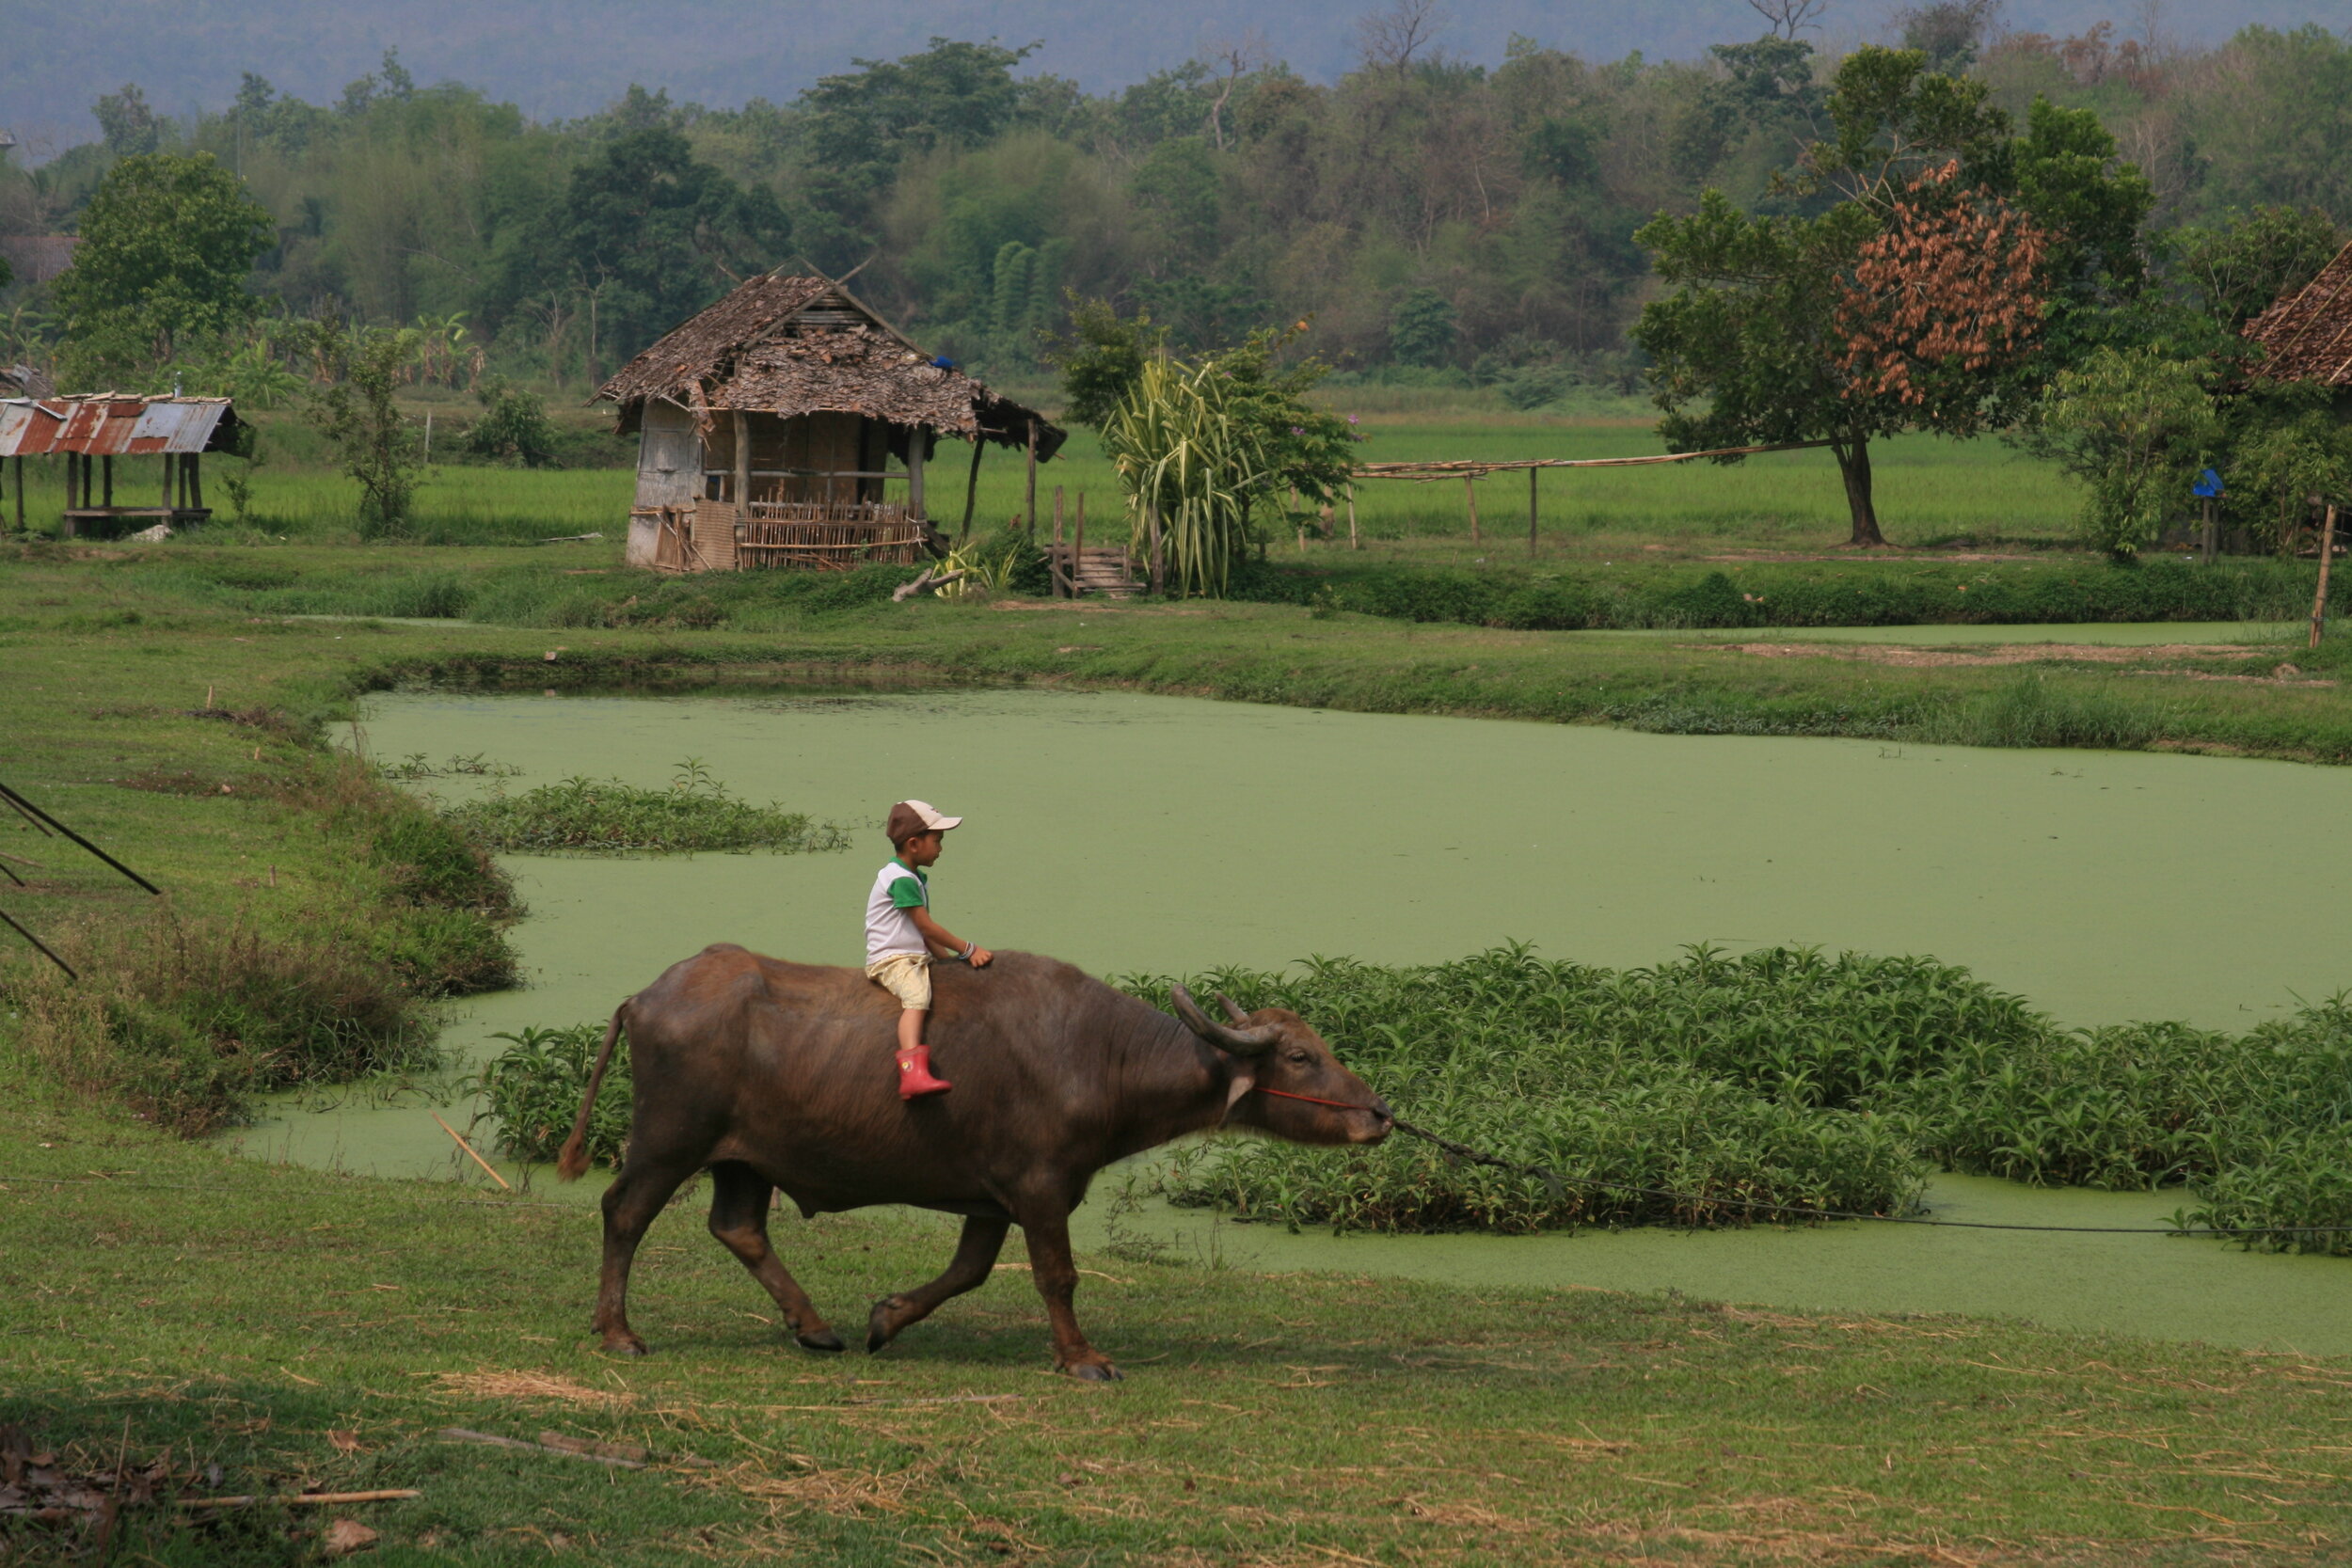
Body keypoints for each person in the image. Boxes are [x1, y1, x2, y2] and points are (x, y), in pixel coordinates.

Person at [866, 800, 993, 1099]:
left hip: (912, 954)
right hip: (892, 959)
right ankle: (911, 1072)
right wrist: (968, 950)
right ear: (914, 844)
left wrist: (946, 963)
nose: (940, 848)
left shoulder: (912, 877)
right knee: (917, 997)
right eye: (937, 841)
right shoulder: (901, 880)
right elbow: (927, 927)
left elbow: (921, 932)